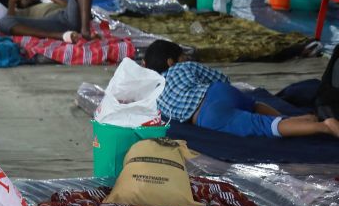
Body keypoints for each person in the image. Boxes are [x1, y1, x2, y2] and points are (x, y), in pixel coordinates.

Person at [144, 40, 339, 139]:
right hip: (217, 91)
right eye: (182, 57)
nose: (184, 60)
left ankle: (325, 126)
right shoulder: (184, 67)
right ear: (171, 62)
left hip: (207, 115)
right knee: (253, 105)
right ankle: (296, 119)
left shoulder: (155, 96)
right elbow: (221, 79)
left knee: (264, 127)